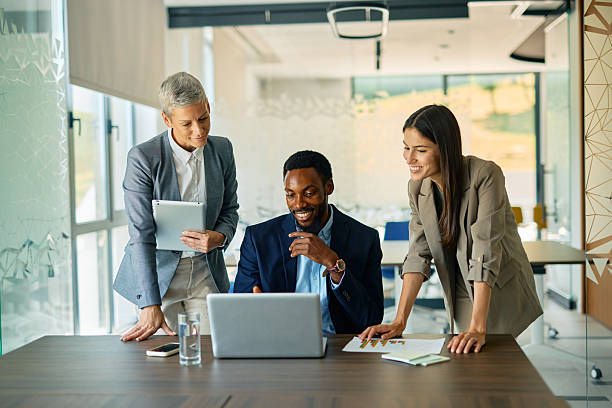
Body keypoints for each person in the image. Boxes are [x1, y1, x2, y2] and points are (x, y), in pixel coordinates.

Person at [360, 105, 542, 353]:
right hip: (458, 287)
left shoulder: (485, 176)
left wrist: (478, 326)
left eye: (420, 150)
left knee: (496, 368)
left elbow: (485, 250)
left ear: (445, 149)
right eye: (406, 147)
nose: (408, 158)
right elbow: (418, 254)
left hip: (496, 287)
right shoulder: (417, 189)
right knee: (467, 367)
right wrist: (399, 321)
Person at [114, 72, 239, 342]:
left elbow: (230, 209)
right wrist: (149, 303)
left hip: (206, 274)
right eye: (187, 123)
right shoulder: (144, 158)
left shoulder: (223, 150)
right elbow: (141, 234)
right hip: (159, 276)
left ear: (207, 105)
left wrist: (220, 237)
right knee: (163, 367)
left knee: (210, 355)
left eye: (203, 118)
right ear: (167, 120)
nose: (199, 130)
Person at [233, 150, 383, 334]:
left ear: (328, 187)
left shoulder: (364, 239)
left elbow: (371, 318)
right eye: (290, 195)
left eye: (309, 193)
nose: (298, 204)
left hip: (341, 348)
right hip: (279, 343)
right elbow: (240, 310)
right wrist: (259, 309)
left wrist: (333, 263)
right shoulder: (259, 239)